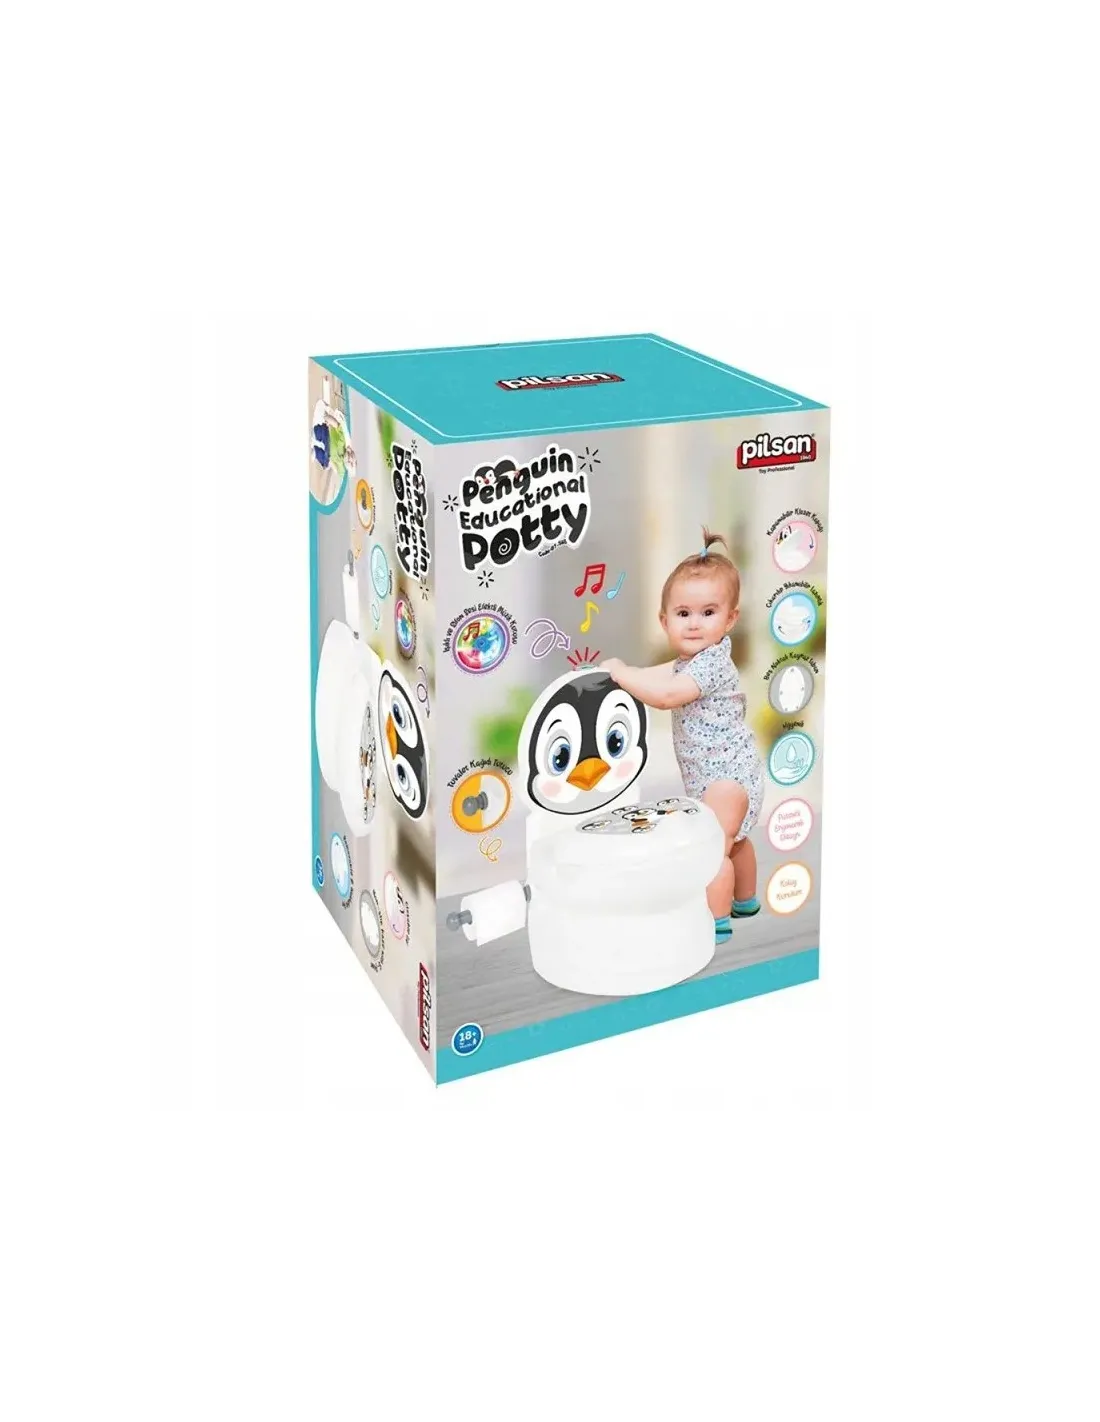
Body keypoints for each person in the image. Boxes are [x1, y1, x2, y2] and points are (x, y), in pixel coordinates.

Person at [601, 530, 764, 943]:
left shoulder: (709, 664)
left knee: (711, 847)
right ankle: (745, 899)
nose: (694, 623)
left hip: (726, 778)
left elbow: (667, 695)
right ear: (665, 621)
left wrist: (621, 675)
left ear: (730, 619)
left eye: (708, 612)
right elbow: (657, 677)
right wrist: (623, 675)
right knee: (735, 840)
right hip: (728, 774)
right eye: (683, 613)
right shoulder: (691, 660)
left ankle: (714, 920)